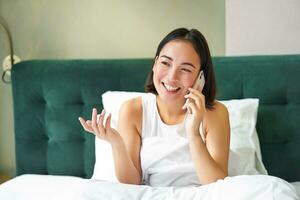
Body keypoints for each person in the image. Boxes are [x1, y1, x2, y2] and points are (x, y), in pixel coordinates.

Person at [78, 28, 230, 186]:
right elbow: (131, 182)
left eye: (185, 69)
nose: (172, 77)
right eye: (165, 63)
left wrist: (194, 133)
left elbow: (217, 184)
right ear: (155, 64)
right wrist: (116, 142)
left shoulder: (215, 113)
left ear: (201, 77)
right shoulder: (133, 110)